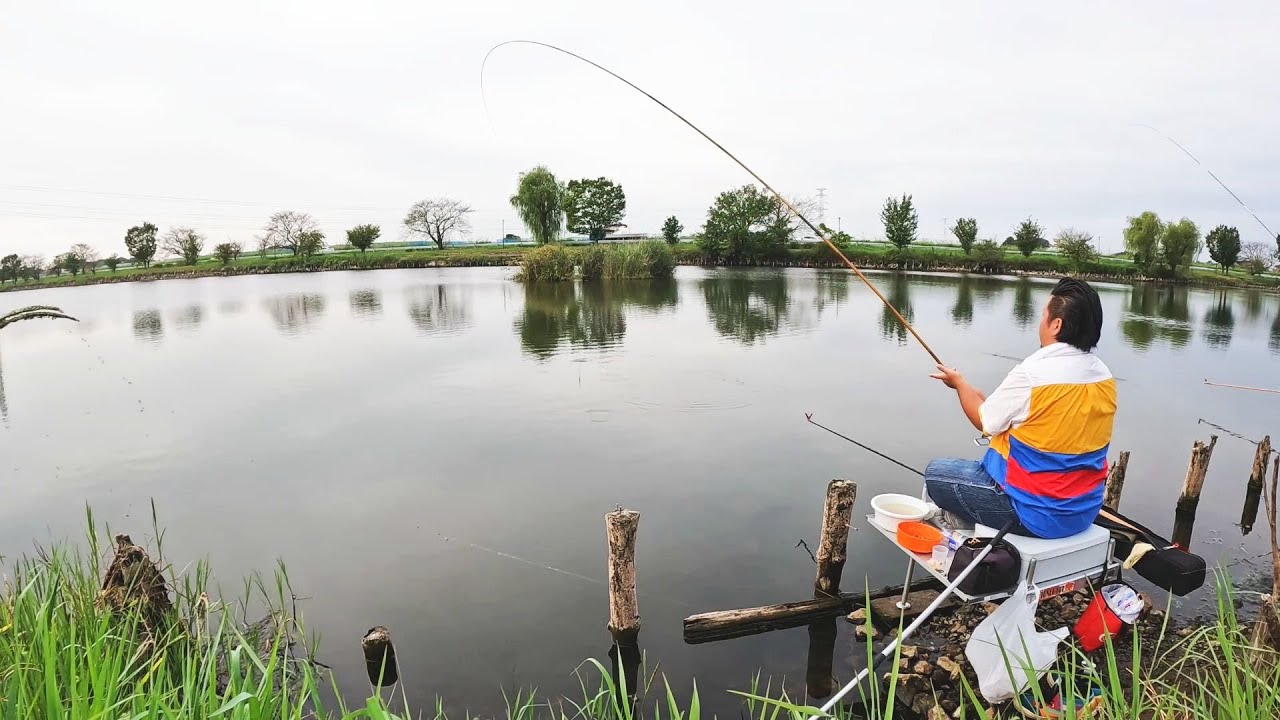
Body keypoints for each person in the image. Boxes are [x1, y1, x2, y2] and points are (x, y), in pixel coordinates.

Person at [926, 278, 1116, 539]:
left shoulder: (1033, 374)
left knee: (935, 473)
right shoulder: (1103, 376)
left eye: (1043, 316)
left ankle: (968, 531)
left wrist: (959, 385)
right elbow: (1009, 414)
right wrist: (965, 386)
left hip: (1031, 516)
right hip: (1083, 513)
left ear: (1056, 325)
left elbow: (985, 422)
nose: (1040, 323)